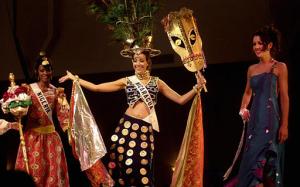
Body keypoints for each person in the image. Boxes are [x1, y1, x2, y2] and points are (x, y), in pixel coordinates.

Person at [59, 49, 205, 186]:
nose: (137, 64)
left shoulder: (157, 82)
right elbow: (97, 87)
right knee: (123, 167)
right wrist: (76, 79)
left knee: (142, 168)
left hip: (144, 130)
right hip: (126, 128)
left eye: (141, 60)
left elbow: (180, 100)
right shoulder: (127, 80)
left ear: (148, 62)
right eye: (135, 60)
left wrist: (196, 87)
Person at [227, 25, 289, 187]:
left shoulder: (280, 67)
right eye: (254, 44)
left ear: (269, 45)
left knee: (266, 162)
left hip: (270, 121)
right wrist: (243, 109)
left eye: (259, 43)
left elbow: (284, 97)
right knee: (251, 161)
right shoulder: (252, 70)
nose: (256, 47)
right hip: (255, 120)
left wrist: (285, 124)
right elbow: (247, 94)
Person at [14, 52, 70, 186]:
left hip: (51, 139)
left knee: (52, 175)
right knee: (35, 175)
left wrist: (69, 132)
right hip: (32, 138)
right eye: (42, 70)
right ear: (37, 72)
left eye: (48, 70)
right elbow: (19, 110)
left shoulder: (57, 92)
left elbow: (63, 116)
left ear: (52, 71)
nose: (45, 73)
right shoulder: (28, 90)